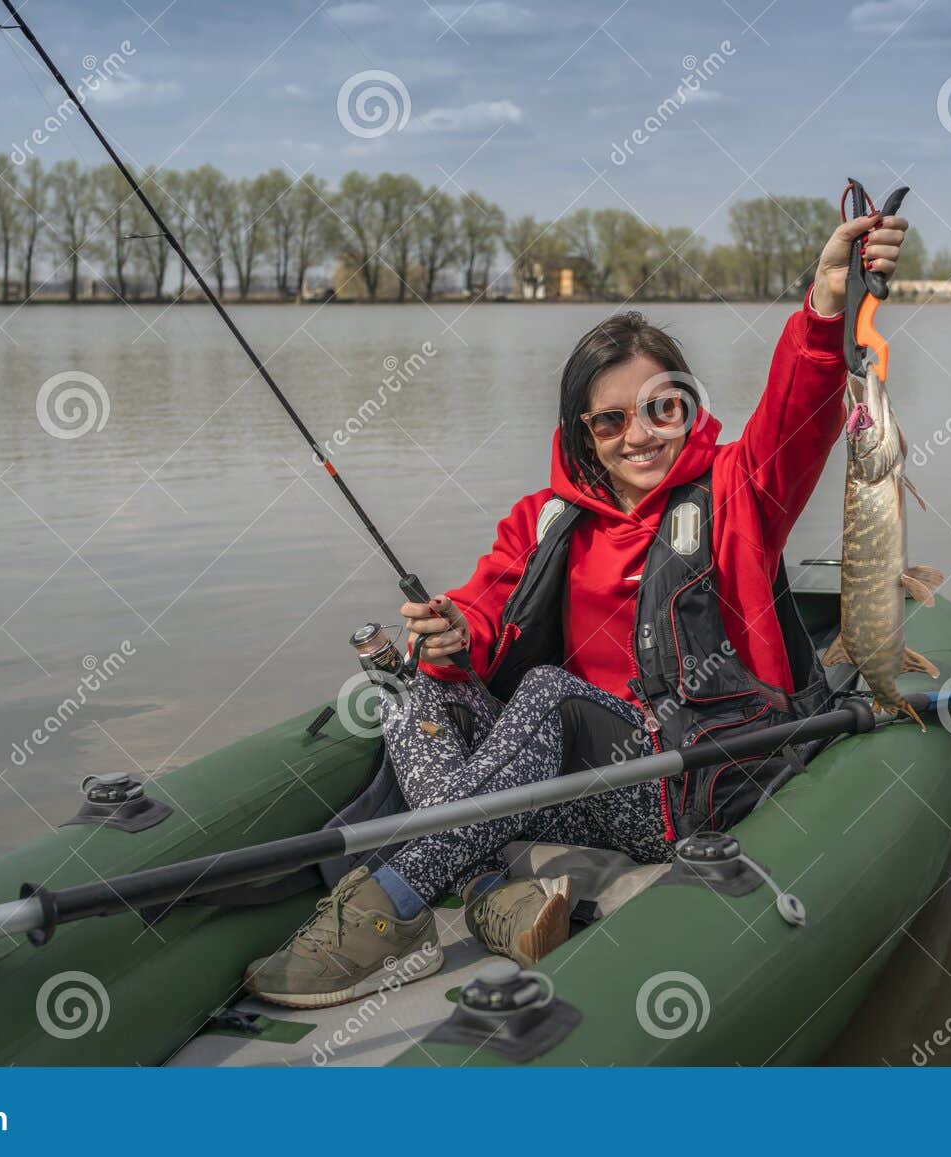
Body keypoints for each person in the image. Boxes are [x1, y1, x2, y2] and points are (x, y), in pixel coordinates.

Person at [245, 209, 909, 1008]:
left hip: (687, 781)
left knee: (547, 692)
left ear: (687, 408)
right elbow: (483, 615)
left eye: (662, 408)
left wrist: (829, 296)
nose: (640, 435)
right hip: (560, 778)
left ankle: (394, 899)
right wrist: (454, 634)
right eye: (611, 418)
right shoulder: (543, 518)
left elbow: (799, 411)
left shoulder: (742, 489)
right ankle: (490, 885)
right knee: (412, 690)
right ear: (582, 432)